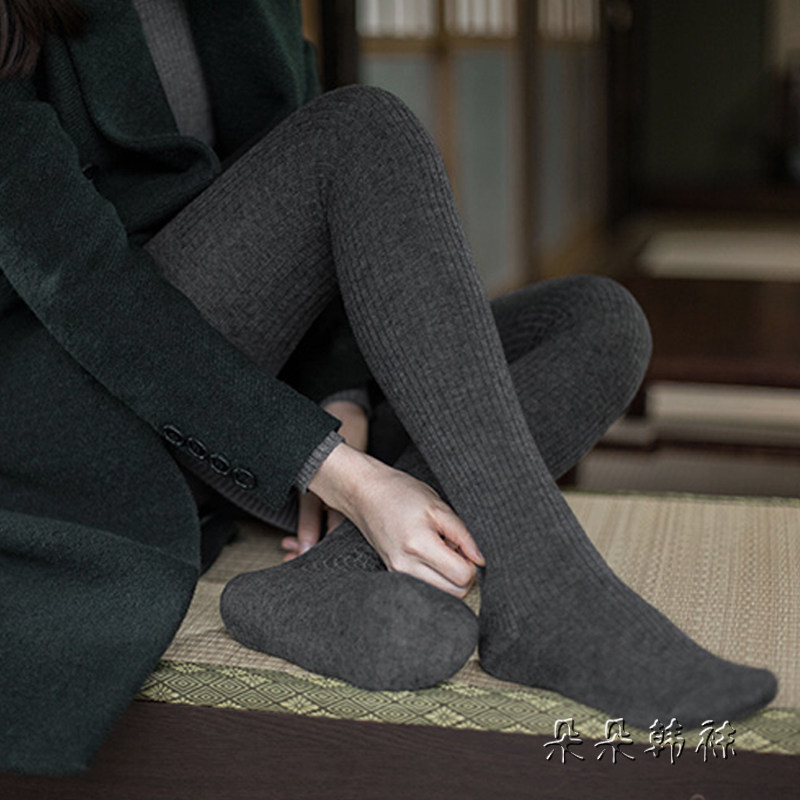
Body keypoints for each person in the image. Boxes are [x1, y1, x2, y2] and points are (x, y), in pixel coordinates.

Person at [0, 0, 776, 776]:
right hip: (79, 406)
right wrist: (335, 469)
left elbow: (302, 223)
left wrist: (340, 395)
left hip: (243, 373)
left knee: (598, 324)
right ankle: (548, 593)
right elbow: (84, 286)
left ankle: (329, 575)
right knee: (361, 128)